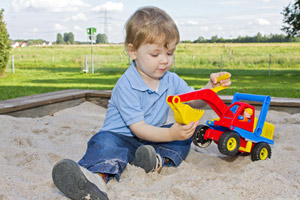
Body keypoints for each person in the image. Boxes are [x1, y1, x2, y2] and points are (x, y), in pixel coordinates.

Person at [52, 6, 231, 200]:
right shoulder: (126, 85)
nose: (164, 61)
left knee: (184, 133)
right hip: (122, 136)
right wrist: (170, 133)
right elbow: (138, 129)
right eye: (155, 54)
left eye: (169, 53)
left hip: (153, 137)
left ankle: (155, 161)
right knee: (104, 143)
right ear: (133, 51)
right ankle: (95, 179)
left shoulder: (171, 80)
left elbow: (194, 101)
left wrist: (209, 89)